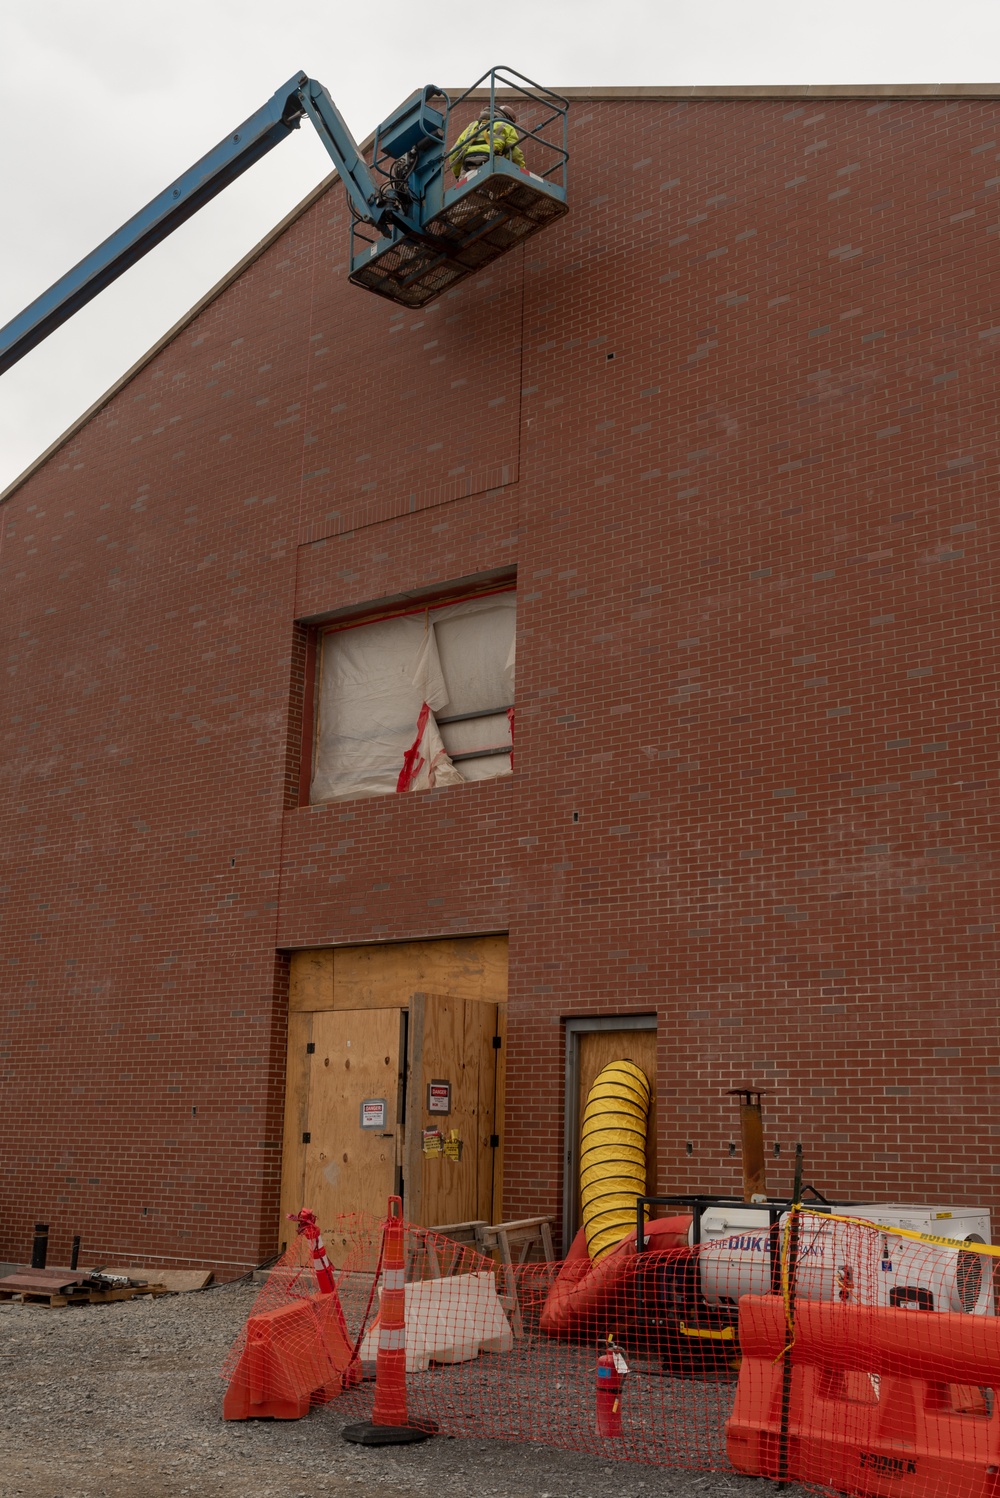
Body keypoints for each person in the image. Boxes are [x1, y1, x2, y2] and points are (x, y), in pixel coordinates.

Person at [451, 104, 526, 178]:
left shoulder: (471, 126)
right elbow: (514, 154)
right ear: (509, 119)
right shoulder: (506, 126)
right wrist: (521, 173)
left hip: (467, 167)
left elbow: (454, 153)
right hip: (490, 164)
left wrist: (458, 175)